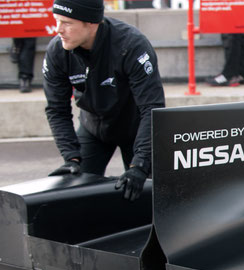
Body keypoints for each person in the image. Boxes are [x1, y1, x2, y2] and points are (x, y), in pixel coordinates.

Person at [43, 0, 165, 201]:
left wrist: (140, 164)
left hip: (135, 128)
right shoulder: (58, 51)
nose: (58, 30)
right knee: (75, 193)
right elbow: (57, 109)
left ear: (90, 23)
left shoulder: (131, 45)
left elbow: (152, 108)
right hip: (93, 128)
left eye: (67, 23)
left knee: (145, 198)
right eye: (57, 21)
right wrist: (71, 157)